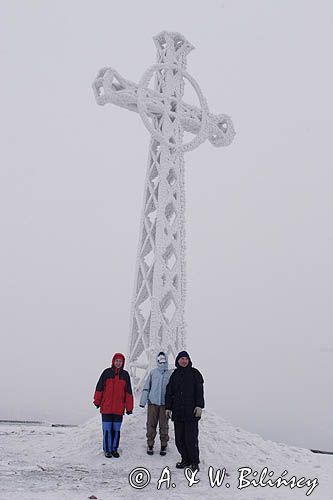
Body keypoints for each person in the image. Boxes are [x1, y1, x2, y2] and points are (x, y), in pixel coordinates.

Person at [165, 350, 204, 472]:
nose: (184, 361)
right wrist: (168, 407)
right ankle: (185, 460)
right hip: (178, 412)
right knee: (179, 439)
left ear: (189, 360)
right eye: (182, 359)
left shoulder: (194, 373)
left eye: (186, 359)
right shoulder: (174, 375)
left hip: (191, 413)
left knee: (191, 439)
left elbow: (199, 391)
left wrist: (199, 406)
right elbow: (169, 392)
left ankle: (194, 462)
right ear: (178, 361)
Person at [93, 352, 133, 458]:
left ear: (123, 362)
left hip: (119, 409)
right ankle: (107, 450)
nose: (118, 363)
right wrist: (97, 401)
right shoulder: (106, 373)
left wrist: (129, 407)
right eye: (117, 361)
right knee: (107, 430)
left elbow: (128, 392)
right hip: (106, 408)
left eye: (120, 361)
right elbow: (99, 388)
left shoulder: (125, 375)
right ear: (113, 361)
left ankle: (114, 449)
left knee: (116, 430)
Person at [139, 351, 173, 456]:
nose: (162, 362)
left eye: (164, 360)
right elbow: (146, 388)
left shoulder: (170, 373)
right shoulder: (153, 373)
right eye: (160, 360)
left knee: (164, 426)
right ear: (157, 360)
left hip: (164, 404)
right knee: (151, 425)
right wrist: (143, 402)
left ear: (166, 360)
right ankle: (150, 444)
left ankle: (163, 445)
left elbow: (173, 390)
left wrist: (172, 404)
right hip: (152, 403)